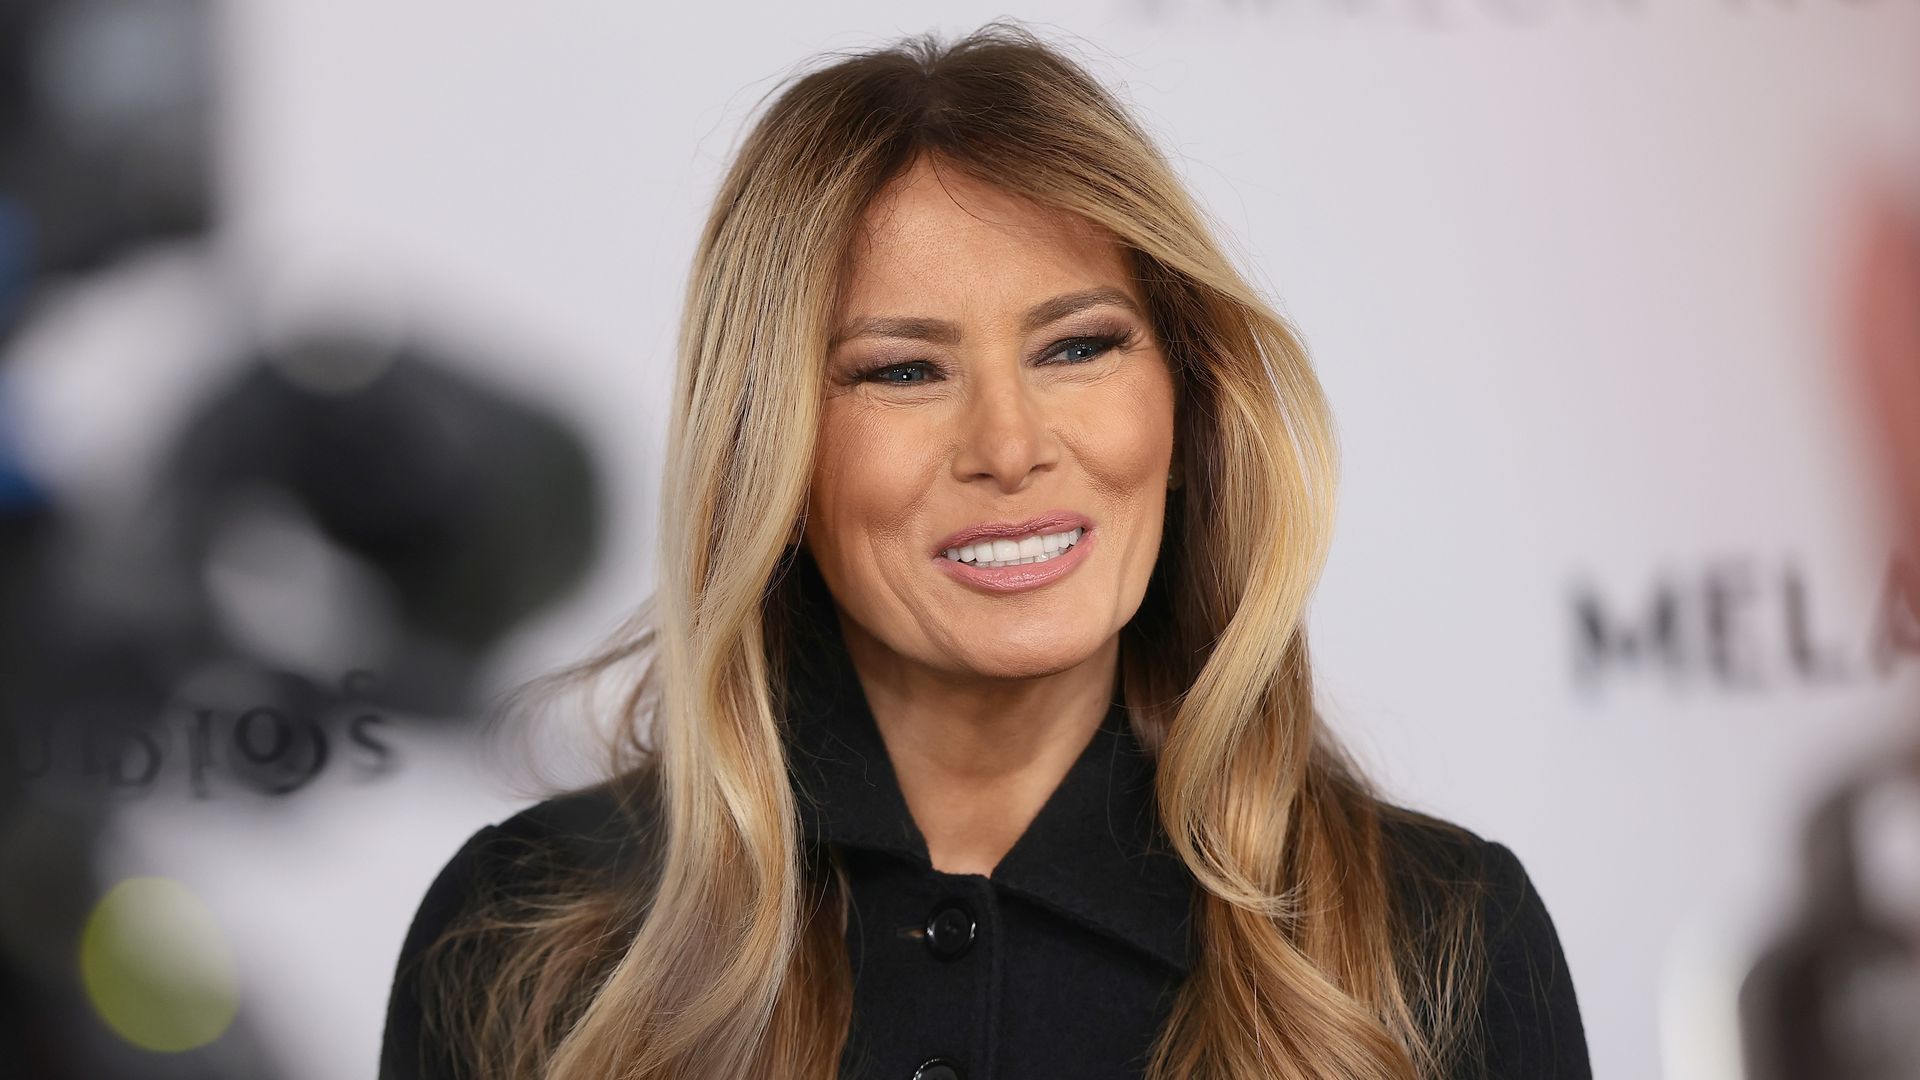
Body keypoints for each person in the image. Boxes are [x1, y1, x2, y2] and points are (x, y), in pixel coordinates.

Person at [378, 21, 1590, 1080]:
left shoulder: (1444, 937)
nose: (1010, 447)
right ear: (775, 457)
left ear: (1187, 406)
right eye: (903, 371)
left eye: (1079, 347)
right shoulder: (525, 933)